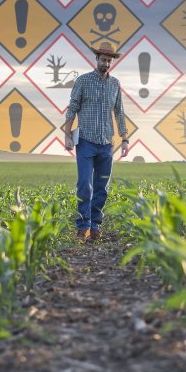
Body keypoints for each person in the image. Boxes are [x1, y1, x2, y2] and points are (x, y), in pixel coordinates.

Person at [61, 42, 130, 241]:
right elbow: (72, 108)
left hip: (107, 143)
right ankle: (83, 226)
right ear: (96, 59)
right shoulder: (83, 81)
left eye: (109, 60)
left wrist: (125, 139)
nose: (106, 63)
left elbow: (119, 112)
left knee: (101, 187)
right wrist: (67, 135)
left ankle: (95, 225)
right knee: (85, 184)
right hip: (85, 142)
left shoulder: (115, 84)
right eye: (103, 59)